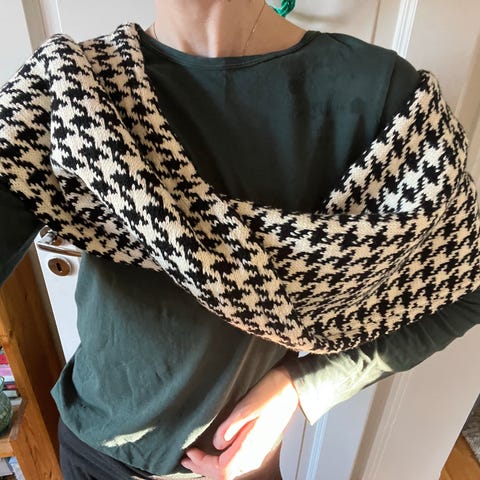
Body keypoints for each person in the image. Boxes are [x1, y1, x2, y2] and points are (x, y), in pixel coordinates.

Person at [1, 1, 479, 479]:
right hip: (90, 452)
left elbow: (464, 283)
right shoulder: (74, 89)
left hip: (234, 464)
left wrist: (303, 386)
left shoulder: (382, 100)